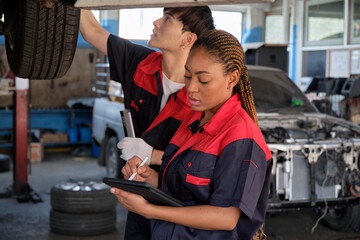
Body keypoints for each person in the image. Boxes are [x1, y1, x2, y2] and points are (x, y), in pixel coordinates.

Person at [113, 29, 273, 240]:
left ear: (232, 78)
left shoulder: (240, 136)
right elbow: (184, 190)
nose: (191, 88)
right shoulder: (192, 122)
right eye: (188, 76)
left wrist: (149, 210)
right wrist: (148, 178)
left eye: (203, 80)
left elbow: (226, 217)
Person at [80, 7, 215, 239]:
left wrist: (152, 154)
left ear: (188, 38)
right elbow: (92, 31)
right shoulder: (139, 62)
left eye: (167, 19)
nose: (155, 22)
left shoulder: (204, 92)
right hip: (139, 197)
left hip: (182, 204)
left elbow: (206, 161)